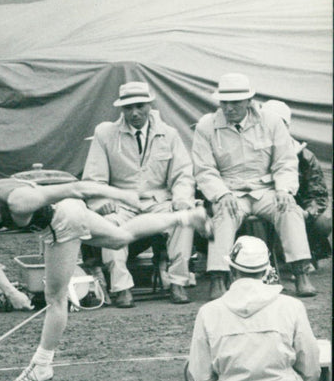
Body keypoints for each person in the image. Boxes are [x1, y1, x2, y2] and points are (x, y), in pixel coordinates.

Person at [0, 168, 212, 381]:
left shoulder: (18, 200)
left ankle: (42, 366)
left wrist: (122, 195)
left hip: (63, 220)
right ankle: (186, 217)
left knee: (55, 299)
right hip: (68, 213)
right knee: (121, 238)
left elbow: (77, 188)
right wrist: (10, 291)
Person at [192, 73, 316, 300]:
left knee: (290, 210)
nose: (229, 108)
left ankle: (301, 274)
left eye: (235, 103)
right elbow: (204, 169)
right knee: (223, 214)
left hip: (266, 190)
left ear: (249, 101)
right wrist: (220, 194)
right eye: (224, 102)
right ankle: (218, 278)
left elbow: (285, 161)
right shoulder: (206, 127)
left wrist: (284, 190)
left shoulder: (271, 121)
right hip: (230, 190)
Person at [188, 235, 320, 381]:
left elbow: (201, 375)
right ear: (267, 271)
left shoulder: (208, 312)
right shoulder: (292, 307)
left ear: (231, 271)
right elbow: (311, 368)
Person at [82, 81, 197, 307]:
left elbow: (183, 174)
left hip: (159, 202)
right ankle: (121, 286)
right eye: (128, 108)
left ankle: (178, 282)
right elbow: (94, 177)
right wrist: (103, 201)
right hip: (122, 203)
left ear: (149, 105)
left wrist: (182, 200)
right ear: (121, 109)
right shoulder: (105, 134)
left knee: (183, 220)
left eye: (140, 106)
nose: (134, 113)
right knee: (109, 225)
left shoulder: (169, 134)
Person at [261, 100, 332, 266]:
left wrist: (307, 213)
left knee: (324, 221)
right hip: (263, 206)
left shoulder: (305, 157)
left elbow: (317, 193)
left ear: (287, 126)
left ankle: (308, 253)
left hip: (295, 207)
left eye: (280, 124)